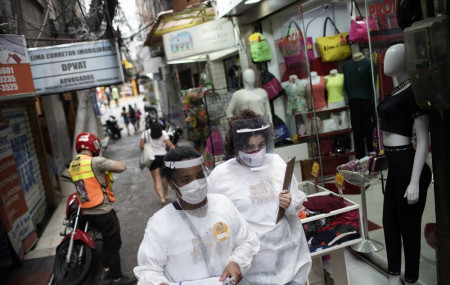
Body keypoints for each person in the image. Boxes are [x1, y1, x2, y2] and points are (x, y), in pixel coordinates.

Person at [208, 109, 311, 285]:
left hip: (287, 257)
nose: (256, 151)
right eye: (249, 147)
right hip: (250, 266)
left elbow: (296, 200)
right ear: (236, 146)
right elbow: (212, 219)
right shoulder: (220, 176)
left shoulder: (277, 163)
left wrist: (290, 202)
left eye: (261, 145)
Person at [133, 146, 260, 285]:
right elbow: (148, 270)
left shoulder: (223, 204)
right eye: (186, 180)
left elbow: (246, 241)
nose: (196, 183)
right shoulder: (160, 223)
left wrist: (237, 262)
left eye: (200, 176)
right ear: (172, 184)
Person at [377, 43, 432, 285]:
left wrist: (415, 182)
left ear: (404, 60)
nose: (387, 60)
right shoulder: (396, 90)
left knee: (409, 226)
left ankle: (410, 278)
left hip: (408, 166)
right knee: (389, 222)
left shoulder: (413, 92)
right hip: (395, 164)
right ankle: (393, 274)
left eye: (393, 56)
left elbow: (423, 139)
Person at [68, 132, 136, 285]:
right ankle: (118, 278)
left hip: (87, 212)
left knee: (105, 240)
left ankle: (106, 270)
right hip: (103, 211)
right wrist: (106, 162)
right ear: (94, 145)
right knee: (113, 243)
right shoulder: (95, 162)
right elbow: (122, 167)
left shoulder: (73, 165)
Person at [343, 52, 377, 158]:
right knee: (357, 135)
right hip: (353, 103)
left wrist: (374, 109)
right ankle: (360, 161)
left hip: (366, 102)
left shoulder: (369, 63)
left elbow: (372, 86)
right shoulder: (346, 66)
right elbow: (347, 87)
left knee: (369, 132)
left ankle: (372, 161)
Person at [140, 121, 175, 206]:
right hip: (163, 157)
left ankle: (161, 198)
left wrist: (148, 144)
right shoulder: (163, 133)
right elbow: (170, 145)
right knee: (164, 177)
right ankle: (166, 194)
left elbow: (141, 146)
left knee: (156, 179)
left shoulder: (145, 133)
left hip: (152, 158)